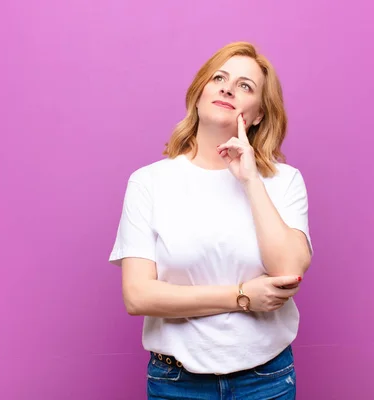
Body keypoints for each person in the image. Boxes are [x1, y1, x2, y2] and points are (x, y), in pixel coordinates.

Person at [109, 41, 313, 400]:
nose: (228, 87)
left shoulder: (284, 181)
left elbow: (289, 269)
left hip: (265, 380)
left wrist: (251, 179)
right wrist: (241, 297)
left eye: (245, 86)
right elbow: (138, 295)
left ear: (260, 114)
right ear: (199, 94)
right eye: (219, 77)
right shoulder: (149, 183)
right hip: (177, 384)